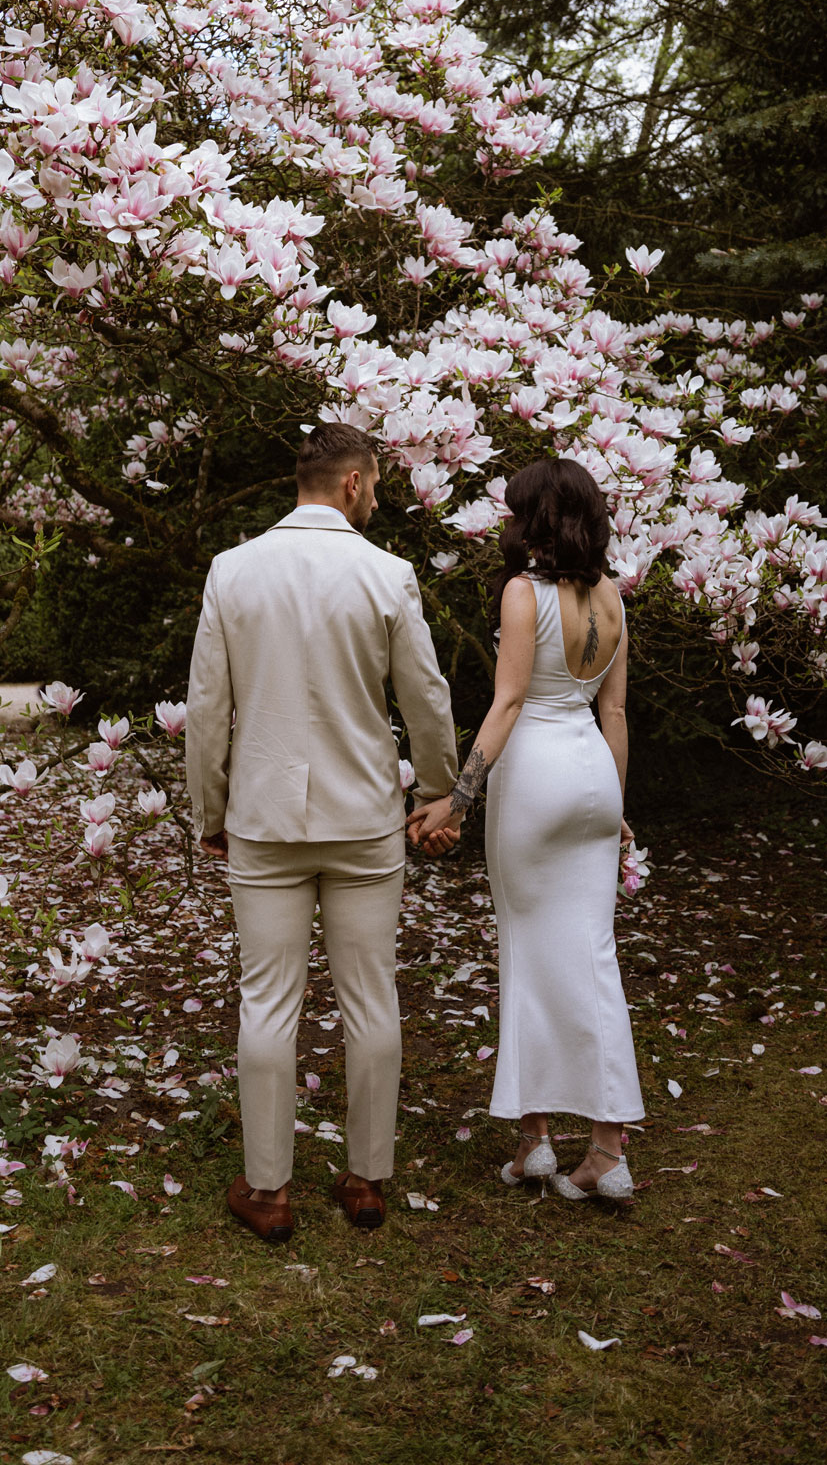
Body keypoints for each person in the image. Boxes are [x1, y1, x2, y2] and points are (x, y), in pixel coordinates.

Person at [185, 422, 458, 1243]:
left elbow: (208, 710)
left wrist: (210, 811)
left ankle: (267, 1190)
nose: (377, 496)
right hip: (364, 818)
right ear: (351, 482)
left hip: (263, 819)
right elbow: (426, 698)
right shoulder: (386, 574)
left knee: (267, 1000)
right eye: (374, 484)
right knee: (371, 997)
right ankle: (366, 1178)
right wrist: (440, 789)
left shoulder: (232, 572)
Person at [409, 456, 645, 1201]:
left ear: (535, 518)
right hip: (591, 777)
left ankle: (535, 1138)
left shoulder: (523, 593)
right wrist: (615, 807)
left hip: (536, 775)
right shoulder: (611, 598)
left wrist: (458, 800)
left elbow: (509, 703)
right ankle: (607, 1149)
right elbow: (614, 713)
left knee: (528, 956)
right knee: (594, 958)